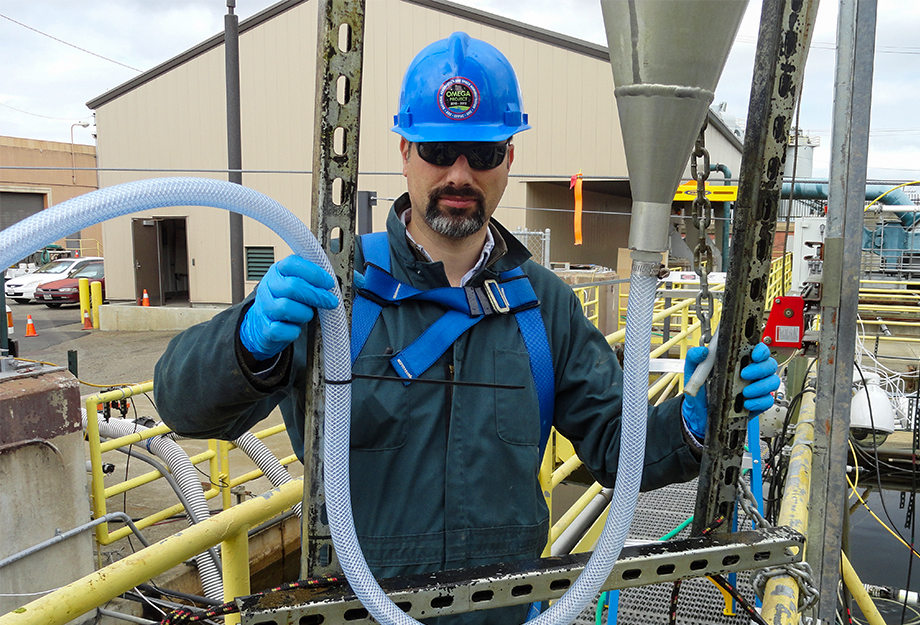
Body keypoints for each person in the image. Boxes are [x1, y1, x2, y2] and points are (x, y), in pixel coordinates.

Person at [154, 32, 779, 623]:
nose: (459, 174)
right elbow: (184, 408)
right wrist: (247, 342)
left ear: (508, 157)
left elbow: (618, 448)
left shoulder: (544, 305)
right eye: (436, 150)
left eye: (481, 153)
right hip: (356, 609)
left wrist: (700, 417)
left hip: (506, 612)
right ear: (403, 152)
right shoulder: (334, 293)